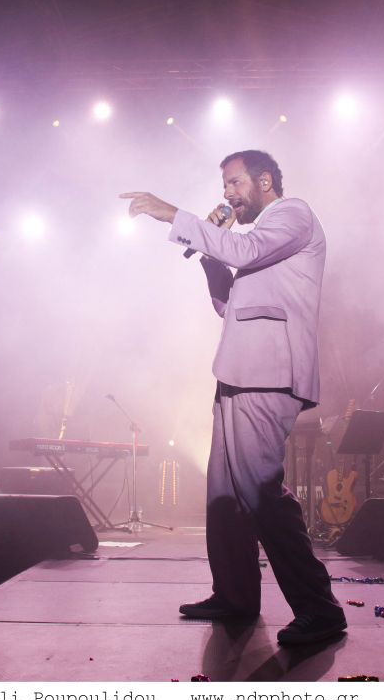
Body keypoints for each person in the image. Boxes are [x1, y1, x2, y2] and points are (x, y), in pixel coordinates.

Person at [120, 150, 346, 645]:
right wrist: (209, 255)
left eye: (235, 183)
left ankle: (319, 608)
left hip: (269, 373)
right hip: (240, 372)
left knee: (260, 490)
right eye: (224, 185)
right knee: (225, 496)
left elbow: (244, 251)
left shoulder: (292, 214)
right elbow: (231, 306)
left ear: (264, 181)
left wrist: (174, 215)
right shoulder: (257, 242)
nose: (227, 193)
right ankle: (236, 594)